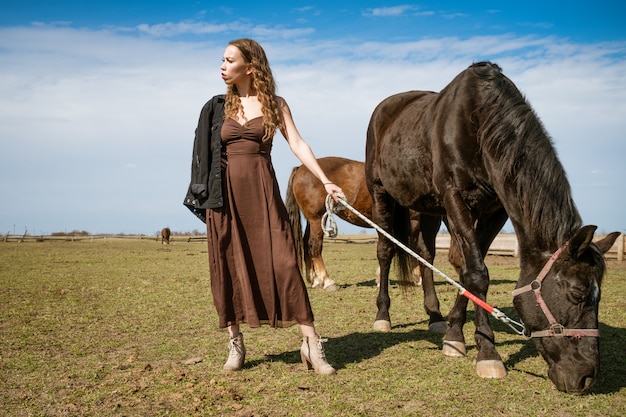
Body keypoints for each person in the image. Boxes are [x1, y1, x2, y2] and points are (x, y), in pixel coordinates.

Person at [183, 38, 343, 375]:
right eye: (222, 60)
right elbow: (203, 156)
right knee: (227, 267)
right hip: (224, 199)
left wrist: (325, 180)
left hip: (263, 195)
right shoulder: (216, 108)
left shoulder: (275, 105)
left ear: (250, 66)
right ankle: (235, 343)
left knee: (285, 264)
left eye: (229, 60)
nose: (222, 66)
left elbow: (297, 143)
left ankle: (312, 344)